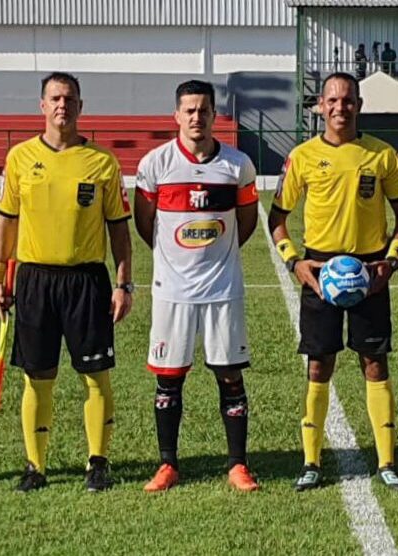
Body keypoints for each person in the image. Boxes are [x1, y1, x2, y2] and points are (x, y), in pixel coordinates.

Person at [268, 72, 398, 492]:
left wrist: (391, 260)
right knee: (319, 364)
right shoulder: (302, 157)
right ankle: (311, 462)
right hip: (319, 271)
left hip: (370, 272)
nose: (339, 107)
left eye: (347, 100)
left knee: (375, 362)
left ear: (359, 106)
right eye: (331, 100)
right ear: (320, 106)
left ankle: (387, 462)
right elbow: (277, 218)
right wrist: (295, 262)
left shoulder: (383, 156)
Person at [0, 72, 133, 492]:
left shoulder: (102, 162)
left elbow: (119, 229)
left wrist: (124, 283)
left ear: (80, 106)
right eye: (54, 98)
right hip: (34, 280)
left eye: (69, 99)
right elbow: (7, 222)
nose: (62, 106)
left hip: (86, 280)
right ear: (42, 105)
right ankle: (35, 466)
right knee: (37, 377)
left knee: (96, 375)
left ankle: (98, 463)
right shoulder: (20, 157)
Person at [134, 80, 260, 493]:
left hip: (223, 288)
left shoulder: (238, 165)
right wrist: (173, 263)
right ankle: (168, 464)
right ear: (176, 115)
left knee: (230, 375)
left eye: (203, 110)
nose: (196, 117)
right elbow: (144, 223)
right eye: (188, 110)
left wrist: (219, 258)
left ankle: (237, 464)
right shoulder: (155, 164)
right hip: (172, 291)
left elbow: (246, 222)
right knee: (168, 378)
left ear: (213, 115)